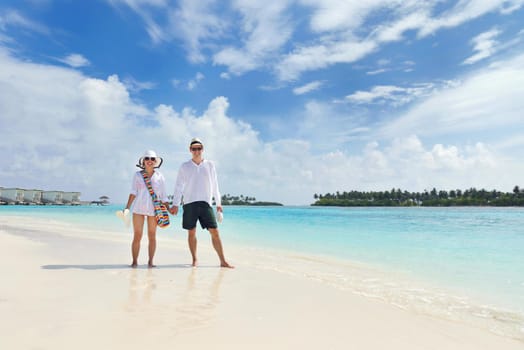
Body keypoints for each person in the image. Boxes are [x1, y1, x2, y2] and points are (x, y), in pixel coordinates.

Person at [170, 138, 234, 268]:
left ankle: (222, 260)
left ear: (202, 150)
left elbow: (215, 185)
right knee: (191, 232)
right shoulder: (185, 166)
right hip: (189, 203)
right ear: (190, 150)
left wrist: (219, 203)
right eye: (194, 149)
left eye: (199, 148)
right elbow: (178, 186)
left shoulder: (210, 165)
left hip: (206, 203)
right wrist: (175, 203)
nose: (197, 151)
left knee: (215, 231)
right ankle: (194, 259)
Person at [124, 150, 169, 268]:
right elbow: (133, 192)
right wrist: (127, 207)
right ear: (143, 161)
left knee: (152, 235)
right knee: (137, 235)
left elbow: (164, 196)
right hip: (138, 209)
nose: (150, 161)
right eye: (147, 158)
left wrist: (169, 209)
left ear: (155, 162)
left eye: (152, 159)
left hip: (154, 210)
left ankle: (151, 262)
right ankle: (134, 262)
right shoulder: (137, 175)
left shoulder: (160, 177)